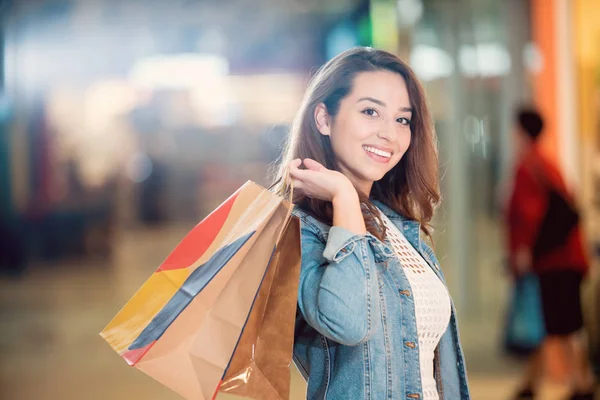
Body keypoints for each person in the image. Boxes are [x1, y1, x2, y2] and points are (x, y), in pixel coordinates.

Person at [272, 47, 470, 399]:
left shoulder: (399, 227)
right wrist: (344, 196)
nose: (389, 135)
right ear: (323, 119)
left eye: (402, 120)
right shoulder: (300, 232)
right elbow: (348, 323)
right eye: (370, 112)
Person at [507, 108, 595, 400]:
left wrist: (523, 252)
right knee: (549, 321)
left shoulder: (529, 165)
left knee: (562, 324)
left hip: (554, 262)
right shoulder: (546, 162)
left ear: (521, 132)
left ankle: (581, 383)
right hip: (565, 258)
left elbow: (530, 216)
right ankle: (531, 383)